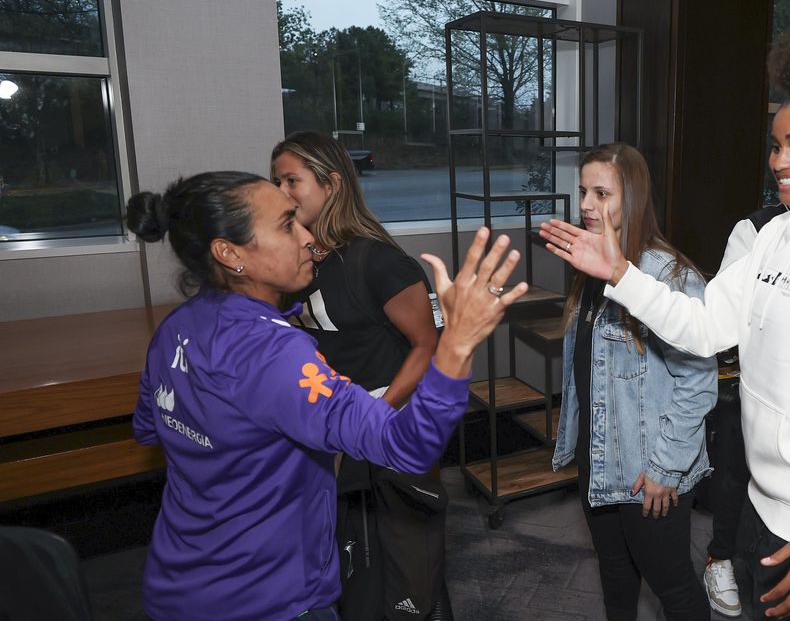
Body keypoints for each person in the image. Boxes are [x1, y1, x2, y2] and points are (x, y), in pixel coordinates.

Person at [541, 27, 790, 620]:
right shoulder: (777, 235)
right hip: (762, 505)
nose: (780, 162)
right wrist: (623, 276)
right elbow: (704, 327)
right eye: (776, 145)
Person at [127, 170, 526, 621]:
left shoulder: (175, 327)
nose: (306, 238)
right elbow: (406, 445)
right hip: (266, 597)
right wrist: (457, 343)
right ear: (230, 253)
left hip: (179, 584)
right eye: (285, 225)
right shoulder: (274, 353)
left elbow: (148, 426)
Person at [271, 132, 450, 620]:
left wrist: (375, 414)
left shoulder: (380, 261)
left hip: (388, 420)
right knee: (351, 550)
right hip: (337, 422)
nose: (282, 192)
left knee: (404, 554)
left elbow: (428, 347)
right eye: (276, 181)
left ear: (331, 184)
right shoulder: (301, 261)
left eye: (293, 180)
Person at [550, 143, 717, 621]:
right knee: (616, 576)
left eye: (601, 193)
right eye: (583, 191)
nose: (585, 204)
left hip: (650, 469)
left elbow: (699, 382)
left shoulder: (671, 276)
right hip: (598, 458)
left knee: (673, 587)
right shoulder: (590, 266)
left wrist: (666, 468)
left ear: (633, 198)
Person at [702, 202, 787, 618]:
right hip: (754, 386)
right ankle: (719, 560)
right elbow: (721, 316)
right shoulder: (756, 228)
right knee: (735, 474)